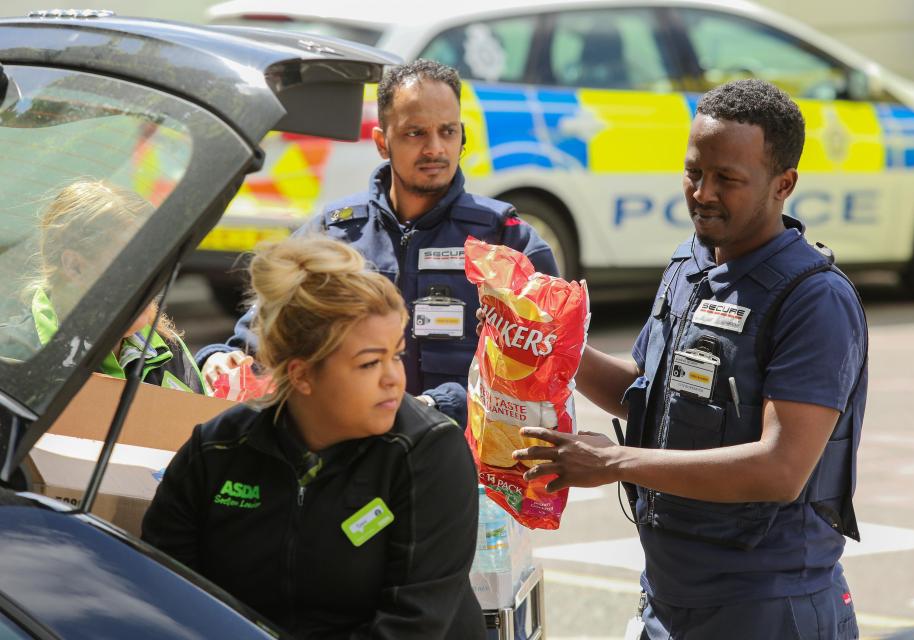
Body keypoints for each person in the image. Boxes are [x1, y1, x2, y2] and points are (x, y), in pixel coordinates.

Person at [515, 79, 867, 640]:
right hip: (669, 600)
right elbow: (645, 392)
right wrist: (547, 344)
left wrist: (613, 463)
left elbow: (780, 468)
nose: (702, 193)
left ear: (784, 185)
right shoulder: (692, 263)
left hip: (764, 608)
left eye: (727, 180)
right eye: (694, 172)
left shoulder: (814, 300)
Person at [142, 236, 485, 639]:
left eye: (396, 353)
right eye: (370, 362)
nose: (395, 378)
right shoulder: (215, 450)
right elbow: (166, 595)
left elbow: (411, 626)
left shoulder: (428, 452)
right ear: (302, 374)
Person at [197, 59, 558, 427]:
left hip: (464, 465)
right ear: (383, 143)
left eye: (447, 131)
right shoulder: (331, 235)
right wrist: (216, 358)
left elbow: (544, 378)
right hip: (350, 462)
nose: (435, 148)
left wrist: (437, 406)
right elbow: (255, 341)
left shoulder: (506, 240)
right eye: (415, 133)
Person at [0, 180, 206, 394]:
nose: (151, 278)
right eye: (130, 263)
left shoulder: (167, 349)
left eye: (157, 261)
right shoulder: (12, 357)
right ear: (75, 266)